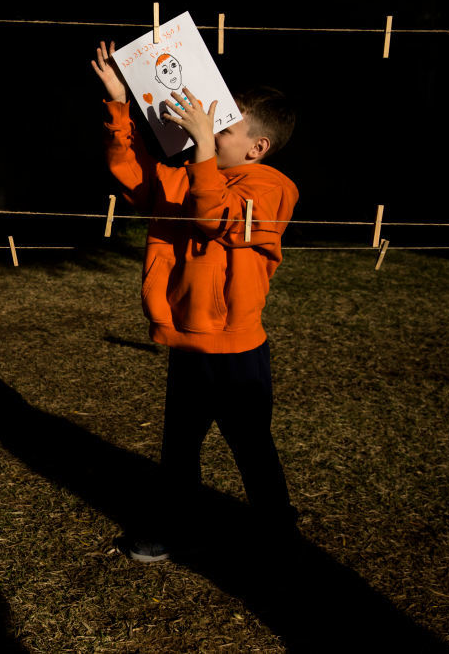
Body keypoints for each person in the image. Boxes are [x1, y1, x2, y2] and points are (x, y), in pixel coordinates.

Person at [91, 40, 300, 562]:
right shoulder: (191, 171)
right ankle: (172, 526)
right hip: (187, 344)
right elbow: (134, 178)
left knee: (251, 448)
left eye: (223, 128)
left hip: (237, 352)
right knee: (178, 450)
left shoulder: (271, 187)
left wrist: (203, 151)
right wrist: (121, 105)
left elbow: (216, 216)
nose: (203, 130)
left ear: (257, 147)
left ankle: (280, 534)